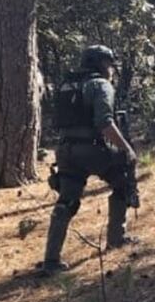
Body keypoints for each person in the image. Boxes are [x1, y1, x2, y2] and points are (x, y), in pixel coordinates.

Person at [40, 45, 140, 274]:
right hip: (93, 149)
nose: (112, 69)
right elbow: (104, 122)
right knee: (123, 181)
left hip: (66, 151)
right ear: (102, 64)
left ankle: (51, 261)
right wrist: (126, 149)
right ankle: (116, 238)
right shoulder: (100, 85)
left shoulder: (66, 85)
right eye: (110, 64)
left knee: (66, 202)